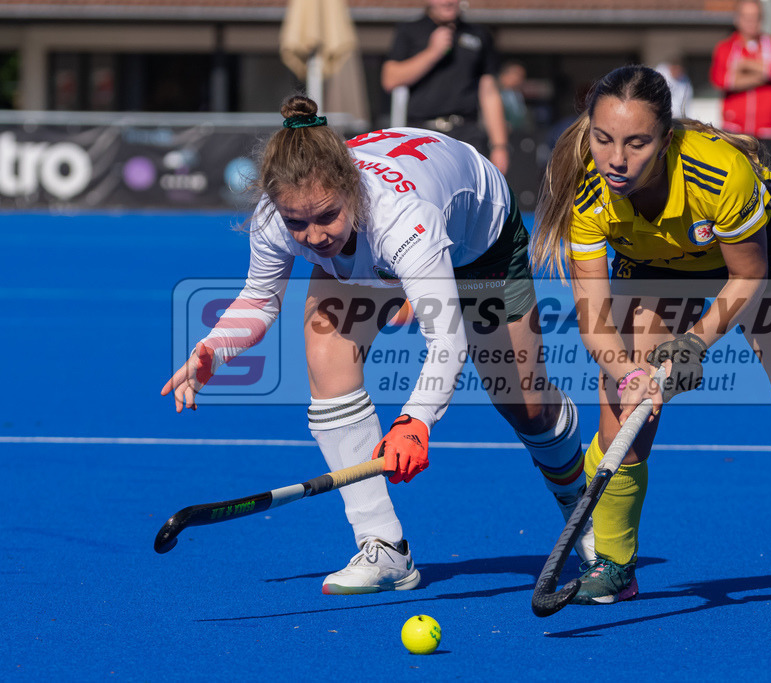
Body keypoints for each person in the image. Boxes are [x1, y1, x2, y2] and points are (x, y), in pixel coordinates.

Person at [161, 96, 594, 594]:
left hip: (479, 241)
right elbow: (259, 300)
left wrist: (415, 421)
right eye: (297, 223)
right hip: (383, 248)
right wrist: (214, 348)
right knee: (326, 355)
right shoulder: (278, 215)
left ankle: (582, 510)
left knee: (526, 406)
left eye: (326, 216)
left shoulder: (400, 218)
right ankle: (384, 546)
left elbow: (446, 336)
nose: (313, 237)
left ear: (351, 189)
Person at [531, 65, 771, 605]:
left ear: (665, 140)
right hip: (654, 266)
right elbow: (594, 323)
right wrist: (631, 375)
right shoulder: (588, 193)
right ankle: (614, 564)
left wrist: (694, 343)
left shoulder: (719, 173)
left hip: (765, 257)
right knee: (626, 421)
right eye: (604, 139)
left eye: (637, 143)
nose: (617, 159)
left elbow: (747, 277)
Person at [381, 0, 510, 174]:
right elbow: (390, 79)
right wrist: (432, 52)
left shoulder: (479, 34)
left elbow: (489, 92)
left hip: (466, 134)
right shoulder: (409, 30)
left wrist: (499, 146)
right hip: (421, 133)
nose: (447, 1)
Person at [709, 0, 771, 167]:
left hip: (767, 129)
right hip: (734, 129)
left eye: (756, 17)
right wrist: (764, 73)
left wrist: (744, 65)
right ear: (737, 19)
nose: (751, 22)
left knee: (767, 178)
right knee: (734, 177)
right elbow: (721, 80)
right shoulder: (725, 48)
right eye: (746, 17)